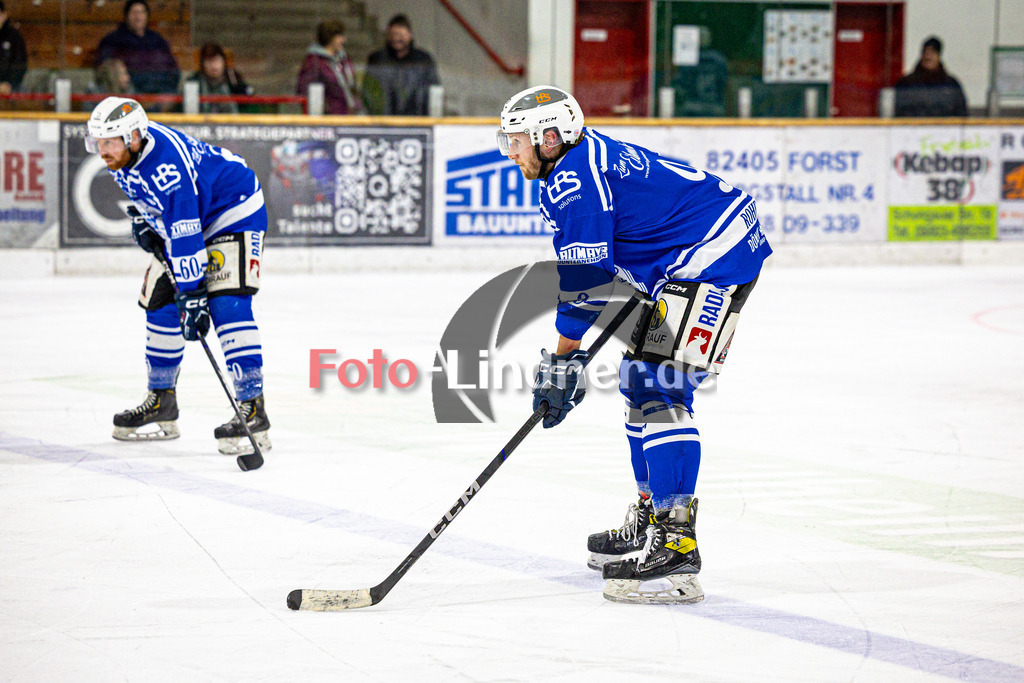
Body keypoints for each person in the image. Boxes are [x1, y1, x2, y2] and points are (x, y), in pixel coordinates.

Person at [497, 86, 771, 604]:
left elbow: (586, 280)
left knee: (659, 387)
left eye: (517, 141)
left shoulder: (574, 181)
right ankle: (653, 517)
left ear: (549, 138)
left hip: (714, 256)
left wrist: (564, 360)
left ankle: (677, 545)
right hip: (683, 257)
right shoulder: (570, 164)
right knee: (637, 380)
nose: (510, 152)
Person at [87, 96, 271, 455]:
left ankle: (253, 407)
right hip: (196, 212)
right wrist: (147, 222)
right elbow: (159, 206)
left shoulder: (166, 167)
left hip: (233, 211)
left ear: (133, 136)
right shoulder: (123, 154)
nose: (102, 150)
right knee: (160, 301)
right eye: (98, 142)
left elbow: (185, 231)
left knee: (226, 302)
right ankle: (162, 399)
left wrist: (192, 294)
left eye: (108, 142)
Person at [96, 0, 180, 95]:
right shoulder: (113, 40)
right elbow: (106, 71)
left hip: (160, 93)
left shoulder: (157, 41)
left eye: (142, 12)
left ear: (147, 16)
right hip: (128, 93)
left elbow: (173, 70)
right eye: (134, 12)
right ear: (126, 16)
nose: (138, 17)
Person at [363, 14, 440, 116]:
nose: (396, 39)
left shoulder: (423, 60)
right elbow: (368, 94)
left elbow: (434, 92)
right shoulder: (377, 60)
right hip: (384, 121)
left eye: (401, 35)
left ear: (410, 35)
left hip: (417, 121)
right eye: (393, 35)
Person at [296, 20, 361, 115]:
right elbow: (304, 90)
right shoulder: (314, 62)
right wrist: (322, 110)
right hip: (329, 116)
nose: (343, 40)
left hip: (349, 113)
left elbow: (351, 85)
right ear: (330, 38)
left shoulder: (344, 59)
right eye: (339, 36)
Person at [894, 36, 968, 117]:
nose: (928, 57)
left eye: (932, 53)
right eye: (925, 53)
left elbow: (961, 115)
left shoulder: (951, 85)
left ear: (938, 56)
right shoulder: (906, 83)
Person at [186, 42, 252, 114]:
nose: (214, 66)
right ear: (202, 64)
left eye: (217, 60)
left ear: (224, 62)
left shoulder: (234, 80)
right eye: (209, 61)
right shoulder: (194, 82)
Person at [0, 1, 27, 95]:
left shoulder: (15, 37)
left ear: (4, 15)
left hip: (10, 88)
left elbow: (20, 64)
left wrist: (9, 84)